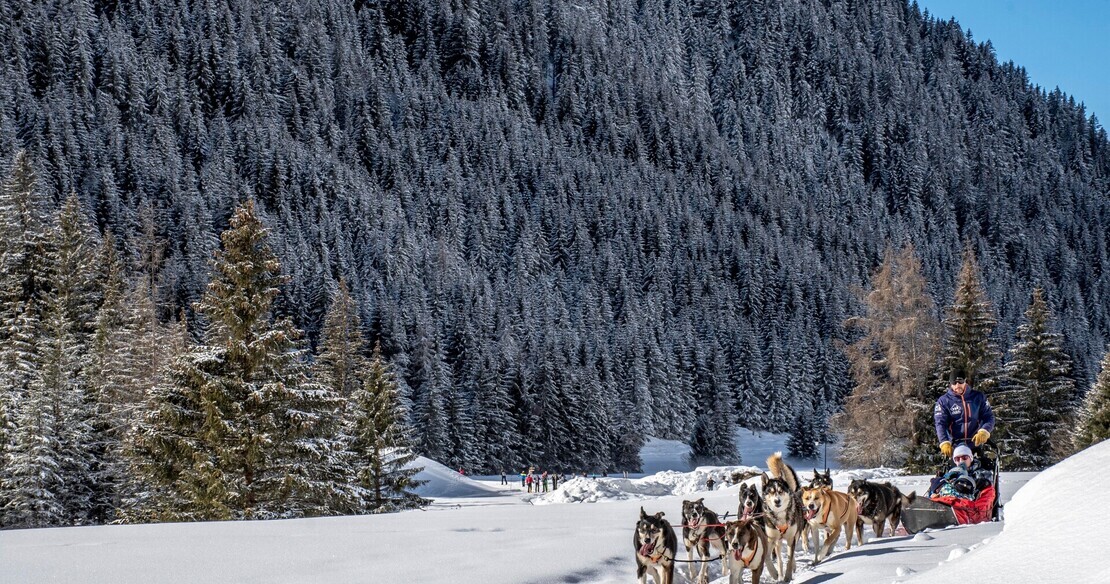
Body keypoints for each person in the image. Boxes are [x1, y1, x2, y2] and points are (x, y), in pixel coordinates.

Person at [934, 369, 995, 458]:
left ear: (965, 381)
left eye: (960, 381)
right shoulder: (943, 401)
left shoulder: (978, 397)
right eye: (954, 383)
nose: (957, 385)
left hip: (976, 444)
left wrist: (984, 431)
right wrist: (944, 442)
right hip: (955, 448)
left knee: (985, 468)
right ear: (950, 384)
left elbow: (988, 417)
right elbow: (940, 423)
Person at [928, 444, 993, 499]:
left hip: (969, 503)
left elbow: (989, 485)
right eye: (957, 459)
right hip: (948, 499)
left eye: (964, 457)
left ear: (971, 458)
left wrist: (984, 483)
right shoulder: (952, 471)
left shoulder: (980, 471)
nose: (961, 461)